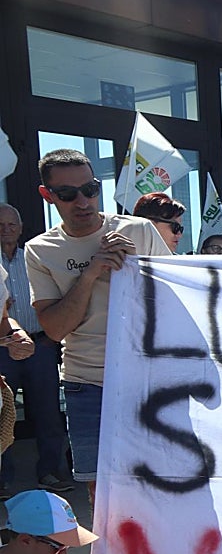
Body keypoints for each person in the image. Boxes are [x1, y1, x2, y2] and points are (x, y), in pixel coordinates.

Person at [25, 149, 170, 500]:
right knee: (103, 494)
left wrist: (137, 267)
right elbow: (55, 329)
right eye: (67, 193)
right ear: (48, 196)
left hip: (150, 379)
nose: (83, 201)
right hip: (87, 384)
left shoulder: (140, 231)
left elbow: (173, 303)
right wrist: (90, 273)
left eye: (90, 189)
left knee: (166, 486)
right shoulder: (40, 250)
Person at [0, 204, 70, 498]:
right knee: (2, 413)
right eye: (0, 224)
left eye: (11, 224)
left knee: (48, 413)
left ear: (21, 226)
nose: (6, 230)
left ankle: (50, 472)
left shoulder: (35, 256)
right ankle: (2, 479)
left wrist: (52, 337)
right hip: (4, 346)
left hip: (40, 345)